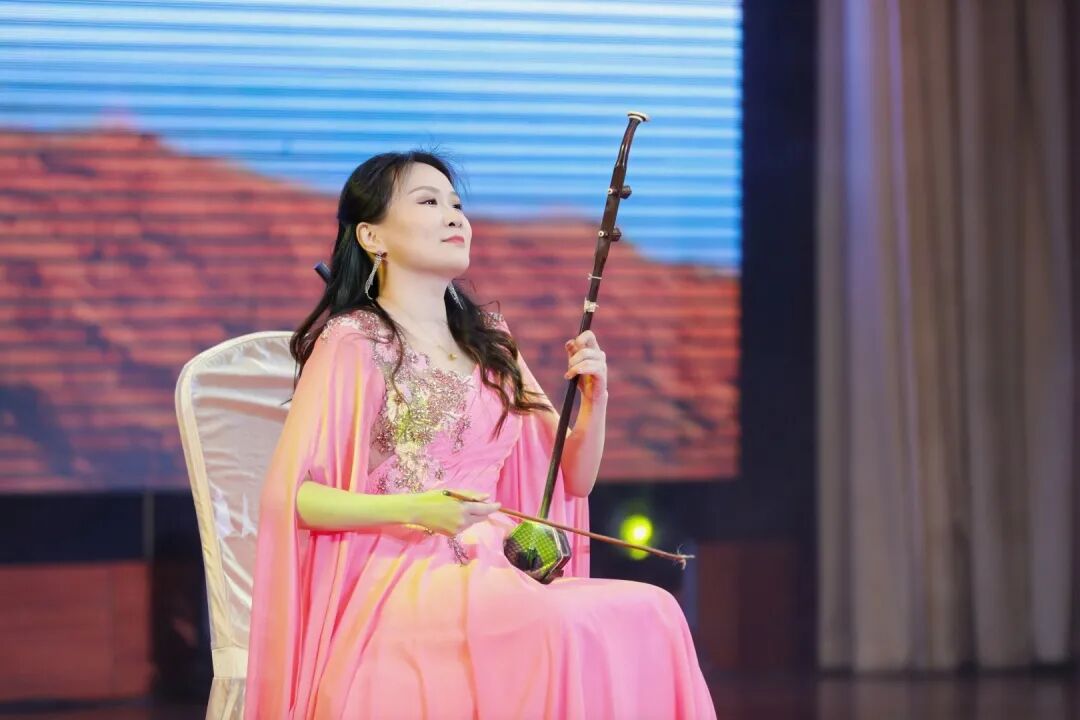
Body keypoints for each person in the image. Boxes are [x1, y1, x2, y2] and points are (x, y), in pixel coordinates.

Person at [244, 151, 716, 719]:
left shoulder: (491, 340)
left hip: (497, 566)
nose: (454, 216)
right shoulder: (355, 339)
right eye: (428, 202)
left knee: (656, 611)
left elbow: (575, 476)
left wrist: (597, 400)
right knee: (554, 624)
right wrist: (418, 508)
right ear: (372, 236)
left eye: (457, 204)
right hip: (406, 574)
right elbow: (296, 499)